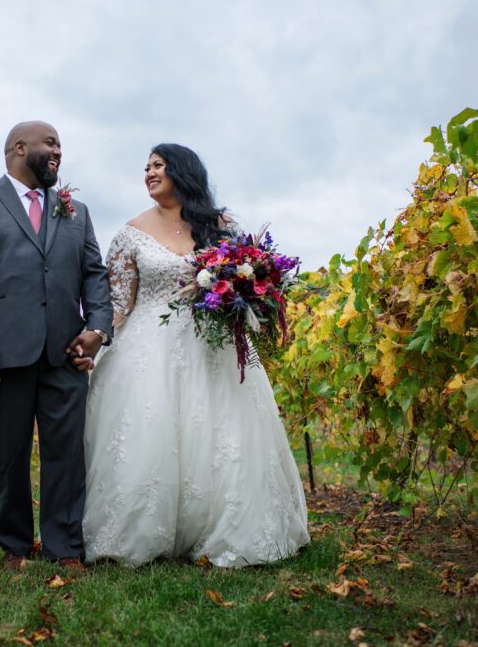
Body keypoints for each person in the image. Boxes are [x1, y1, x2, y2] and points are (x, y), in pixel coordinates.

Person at [82, 143, 310, 567]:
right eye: (146, 167)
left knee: (223, 438)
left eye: (158, 166)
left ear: (181, 172)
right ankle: (141, 533)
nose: (149, 173)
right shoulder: (131, 233)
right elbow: (118, 304)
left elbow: (249, 279)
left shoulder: (220, 227)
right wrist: (93, 339)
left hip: (213, 345)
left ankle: (220, 528)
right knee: (150, 433)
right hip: (147, 350)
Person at [0, 121, 114, 571]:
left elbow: (94, 274)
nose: (58, 151)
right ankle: (15, 547)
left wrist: (97, 330)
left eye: (60, 144)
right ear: (19, 148)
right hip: (0, 354)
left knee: (66, 454)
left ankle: (65, 548)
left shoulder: (75, 210)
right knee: (9, 454)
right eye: (51, 143)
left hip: (65, 352)